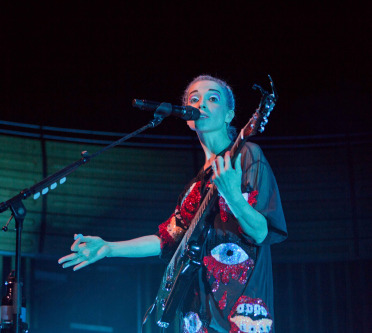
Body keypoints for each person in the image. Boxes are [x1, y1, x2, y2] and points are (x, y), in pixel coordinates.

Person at [58, 75, 287, 333]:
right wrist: (109, 248)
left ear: (229, 115)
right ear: (188, 119)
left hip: (239, 311)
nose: (202, 104)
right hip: (197, 314)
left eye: (213, 98)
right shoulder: (194, 188)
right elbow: (167, 238)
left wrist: (233, 197)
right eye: (194, 99)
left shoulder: (247, 156)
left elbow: (261, 231)